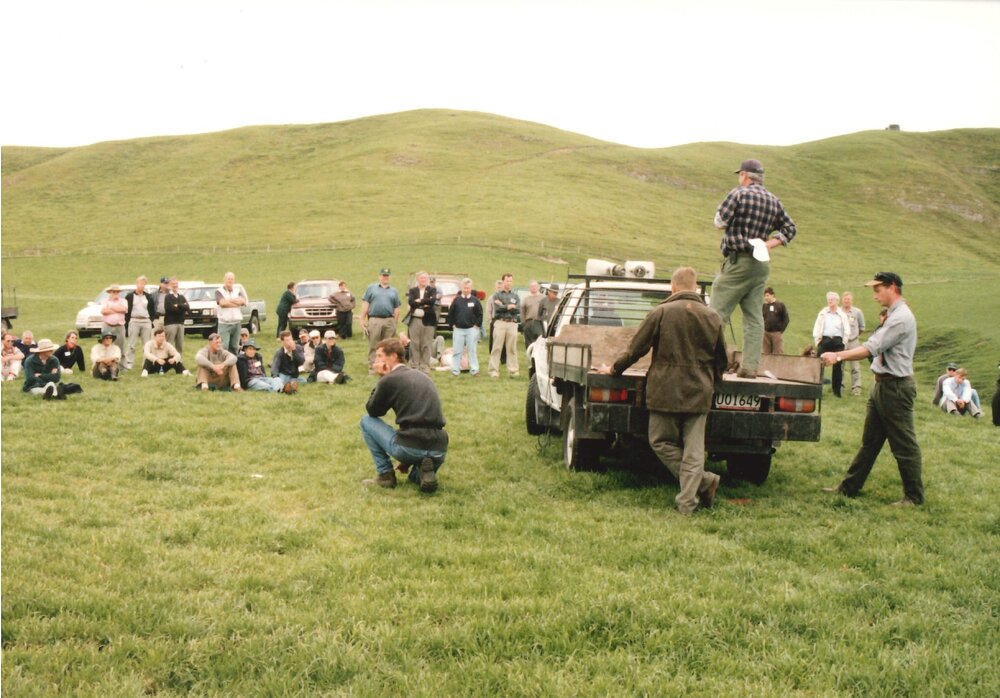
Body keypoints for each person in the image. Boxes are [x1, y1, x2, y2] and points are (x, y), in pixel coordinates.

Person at [602, 266, 728, 515]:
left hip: (665, 390)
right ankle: (691, 497)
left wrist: (615, 369)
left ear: (673, 287)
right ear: (695, 288)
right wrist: (713, 380)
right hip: (700, 391)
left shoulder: (660, 312)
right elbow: (721, 358)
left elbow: (635, 349)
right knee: (694, 451)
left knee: (660, 441)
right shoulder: (712, 316)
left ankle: (702, 486)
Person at [820, 272, 923, 507]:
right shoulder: (893, 315)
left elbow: (871, 348)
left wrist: (838, 356)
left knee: (904, 445)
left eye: (878, 290)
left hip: (895, 388)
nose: (875, 296)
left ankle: (914, 497)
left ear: (892, 287)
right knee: (870, 442)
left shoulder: (900, 318)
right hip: (883, 386)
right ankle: (849, 488)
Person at [712, 158, 797, 378]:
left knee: (716, 314)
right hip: (761, 264)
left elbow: (720, 221)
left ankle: (711, 363)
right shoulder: (774, 201)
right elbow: (790, 229)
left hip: (738, 260)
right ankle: (749, 366)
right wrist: (769, 243)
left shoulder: (738, 194)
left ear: (744, 176)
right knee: (753, 317)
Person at [360, 338, 448, 492]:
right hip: (438, 447)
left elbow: (373, 410)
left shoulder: (390, 379)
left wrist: (382, 378)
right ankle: (424, 471)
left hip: (410, 445)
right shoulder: (423, 376)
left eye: (380, 356)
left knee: (366, 421)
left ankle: (385, 475)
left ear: (394, 356)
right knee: (414, 481)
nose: (376, 360)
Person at [360, 268, 401, 371]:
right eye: (383, 276)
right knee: (374, 344)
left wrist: (394, 323)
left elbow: (396, 308)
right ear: (379, 277)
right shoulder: (371, 288)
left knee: (388, 346)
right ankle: (373, 367)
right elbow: (365, 304)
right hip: (375, 319)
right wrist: (362, 319)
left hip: (389, 320)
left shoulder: (394, 291)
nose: (385, 278)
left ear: (390, 277)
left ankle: (386, 366)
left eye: (387, 276)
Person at [812, 292, 850, 398]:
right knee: (818, 364)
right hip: (825, 340)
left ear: (837, 301)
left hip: (837, 341)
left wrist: (843, 342)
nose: (830, 301)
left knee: (838, 366)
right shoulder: (823, 313)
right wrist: (818, 341)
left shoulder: (842, 314)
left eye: (832, 299)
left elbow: (847, 329)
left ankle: (836, 392)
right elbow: (817, 327)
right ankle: (816, 390)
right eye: (828, 299)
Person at [446, 277, 483, 377]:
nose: (466, 290)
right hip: (458, 330)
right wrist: (452, 325)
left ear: (471, 288)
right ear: (461, 288)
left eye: (468, 288)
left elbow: (480, 314)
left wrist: (476, 325)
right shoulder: (456, 300)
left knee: (472, 350)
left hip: (471, 330)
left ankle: (474, 370)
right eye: (464, 288)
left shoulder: (475, 300)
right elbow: (451, 313)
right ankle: (455, 371)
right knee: (457, 351)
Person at [488, 273, 520, 378]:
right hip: (500, 323)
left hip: (512, 323)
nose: (509, 283)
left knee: (512, 348)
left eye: (510, 281)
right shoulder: (496, 295)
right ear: (503, 282)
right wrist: (509, 306)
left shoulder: (515, 296)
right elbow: (497, 308)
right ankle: (493, 370)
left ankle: (513, 370)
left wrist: (503, 306)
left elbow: (518, 310)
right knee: (497, 347)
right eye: (507, 281)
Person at [406, 271, 438, 375]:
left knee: (426, 343)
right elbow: (411, 302)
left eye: (425, 278)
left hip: (428, 320)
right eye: (421, 278)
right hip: (415, 320)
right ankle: (415, 365)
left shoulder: (432, 290)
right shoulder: (413, 290)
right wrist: (424, 302)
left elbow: (432, 301)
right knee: (415, 343)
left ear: (428, 279)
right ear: (417, 279)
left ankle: (425, 366)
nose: (423, 280)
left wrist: (419, 301)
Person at [124, 275, 156, 370]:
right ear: (136, 284)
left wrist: (150, 320)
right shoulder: (130, 296)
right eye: (140, 283)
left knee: (146, 344)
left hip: (146, 321)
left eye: (143, 284)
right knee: (132, 344)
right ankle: (129, 363)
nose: (141, 286)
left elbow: (152, 310)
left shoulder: (148, 296)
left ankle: (146, 363)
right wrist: (127, 322)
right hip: (134, 320)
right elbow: (126, 310)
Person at [215, 272, 248, 355]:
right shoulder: (219, 291)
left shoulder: (238, 290)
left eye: (232, 279)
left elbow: (243, 301)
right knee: (224, 346)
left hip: (236, 323)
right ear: (224, 279)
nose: (230, 280)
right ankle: (223, 362)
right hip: (224, 323)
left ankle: (233, 362)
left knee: (234, 346)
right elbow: (222, 303)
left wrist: (229, 301)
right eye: (228, 278)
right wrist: (235, 303)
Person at [841, 291, 866, 396]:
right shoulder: (838, 312)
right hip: (841, 342)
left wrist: (855, 336)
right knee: (840, 365)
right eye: (845, 299)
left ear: (852, 300)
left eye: (848, 299)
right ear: (842, 300)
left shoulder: (857, 312)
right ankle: (840, 386)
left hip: (853, 342)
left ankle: (856, 388)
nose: (847, 301)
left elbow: (862, 327)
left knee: (855, 366)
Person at [163, 278, 189, 354]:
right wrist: (182, 308)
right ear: (169, 285)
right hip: (170, 324)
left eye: (176, 284)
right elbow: (170, 309)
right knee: (169, 344)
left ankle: (178, 359)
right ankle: (168, 358)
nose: (175, 285)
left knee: (179, 345)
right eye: (173, 284)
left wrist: (178, 305)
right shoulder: (168, 297)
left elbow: (187, 307)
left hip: (180, 323)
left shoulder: (181, 297)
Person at [100, 285, 128, 356]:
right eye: (113, 291)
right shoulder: (105, 301)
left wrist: (110, 307)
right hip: (107, 326)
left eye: (117, 292)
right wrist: (118, 310)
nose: (115, 293)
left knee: (121, 346)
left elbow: (124, 310)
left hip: (119, 327)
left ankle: (120, 362)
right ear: (110, 292)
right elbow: (104, 311)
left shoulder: (123, 301)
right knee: (106, 346)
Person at [761, 287, 789, 355]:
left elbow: (786, 319)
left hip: (776, 333)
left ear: (772, 295)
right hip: (766, 334)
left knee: (778, 354)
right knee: (766, 354)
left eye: (767, 295)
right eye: (765, 296)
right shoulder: (764, 306)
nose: (766, 298)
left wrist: (780, 331)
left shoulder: (780, 305)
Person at [521, 280, 545, 348]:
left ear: (538, 287)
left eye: (535, 286)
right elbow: (522, 312)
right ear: (529, 288)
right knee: (529, 344)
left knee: (539, 342)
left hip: (539, 323)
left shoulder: (543, 298)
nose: (533, 288)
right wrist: (524, 324)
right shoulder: (526, 299)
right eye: (532, 286)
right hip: (529, 323)